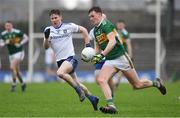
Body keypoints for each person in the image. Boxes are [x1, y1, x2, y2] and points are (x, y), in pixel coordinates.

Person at [88, 6, 166, 114]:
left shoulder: (106, 25)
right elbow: (98, 47)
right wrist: (92, 56)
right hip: (110, 60)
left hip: (121, 58)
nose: (91, 18)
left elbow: (112, 41)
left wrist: (102, 55)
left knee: (137, 85)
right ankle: (111, 105)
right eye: (89, 17)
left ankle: (156, 83)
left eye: (93, 16)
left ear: (100, 14)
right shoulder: (96, 30)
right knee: (101, 80)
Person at [43, 9, 99, 111]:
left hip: (71, 58)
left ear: (60, 17)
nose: (54, 20)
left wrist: (87, 45)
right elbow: (46, 47)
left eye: (56, 17)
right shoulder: (48, 30)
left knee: (60, 73)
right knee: (77, 82)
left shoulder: (68, 26)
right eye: (52, 18)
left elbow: (84, 30)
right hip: (60, 62)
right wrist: (46, 38)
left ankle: (78, 92)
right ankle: (92, 98)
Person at [0, 21, 28, 92]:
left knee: (12, 67)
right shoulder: (3, 34)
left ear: (12, 26)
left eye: (9, 25)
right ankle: (23, 83)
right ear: (5, 26)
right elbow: (1, 43)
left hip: (19, 52)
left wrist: (20, 43)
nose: (8, 27)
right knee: (17, 71)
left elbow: (26, 37)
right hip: (11, 54)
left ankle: (13, 85)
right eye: (6, 26)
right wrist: (3, 43)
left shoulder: (17, 32)